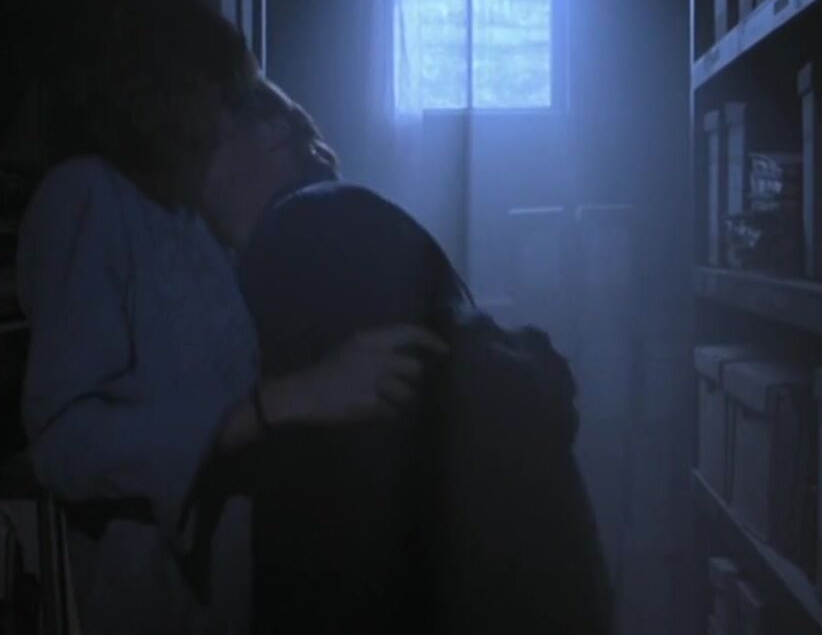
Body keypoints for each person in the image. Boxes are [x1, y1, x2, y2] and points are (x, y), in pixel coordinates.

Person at [16, 0, 443, 635]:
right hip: (149, 600)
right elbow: (64, 443)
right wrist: (277, 405)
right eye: (218, 96)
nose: (228, 119)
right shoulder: (87, 196)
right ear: (162, 92)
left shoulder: (198, 215)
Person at [190, 78, 612, 634]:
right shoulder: (351, 220)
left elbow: (332, 505)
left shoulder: (301, 223)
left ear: (271, 135)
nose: (191, 172)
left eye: (208, 143)